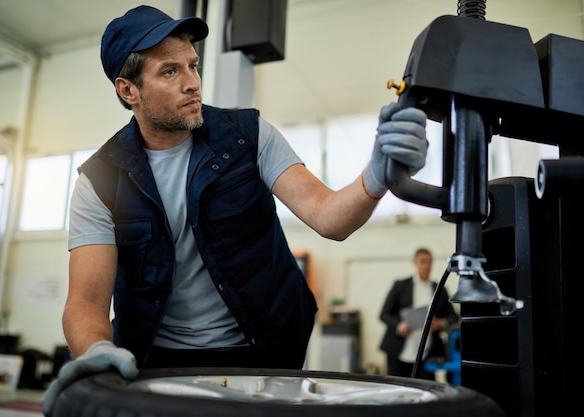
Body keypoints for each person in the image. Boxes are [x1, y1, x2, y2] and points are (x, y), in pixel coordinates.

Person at [42, 5, 430, 415]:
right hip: (153, 360)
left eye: (193, 66)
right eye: (170, 72)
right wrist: (98, 351)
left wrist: (377, 175)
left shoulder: (249, 136)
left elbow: (328, 216)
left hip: (261, 348)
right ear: (128, 91)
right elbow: (86, 301)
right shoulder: (100, 180)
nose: (193, 83)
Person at [379, 247, 459, 380]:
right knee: (398, 389)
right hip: (399, 350)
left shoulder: (439, 289)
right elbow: (384, 314)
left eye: (429, 262)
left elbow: (453, 316)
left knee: (425, 389)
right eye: (423, 262)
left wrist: (440, 323)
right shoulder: (400, 286)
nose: (426, 266)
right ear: (415, 263)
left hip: (426, 353)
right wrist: (399, 326)